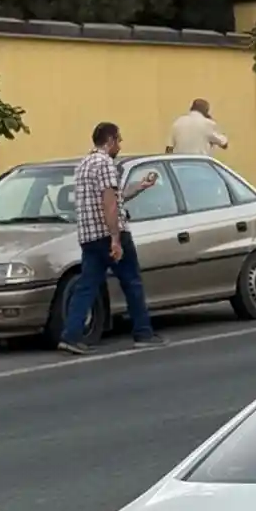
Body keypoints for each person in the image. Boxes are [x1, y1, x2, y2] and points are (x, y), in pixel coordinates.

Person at [58, 123, 162, 355]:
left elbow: (114, 196)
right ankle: (143, 332)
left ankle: (71, 335)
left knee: (86, 286)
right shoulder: (105, 164)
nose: (120, 146)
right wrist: (115, 238)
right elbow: (109, 202)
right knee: (132, 281)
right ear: (110, 140)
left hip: (89, 236)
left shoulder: (84, 164)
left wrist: (141, 187)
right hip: (109, 234)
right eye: (119, 140)